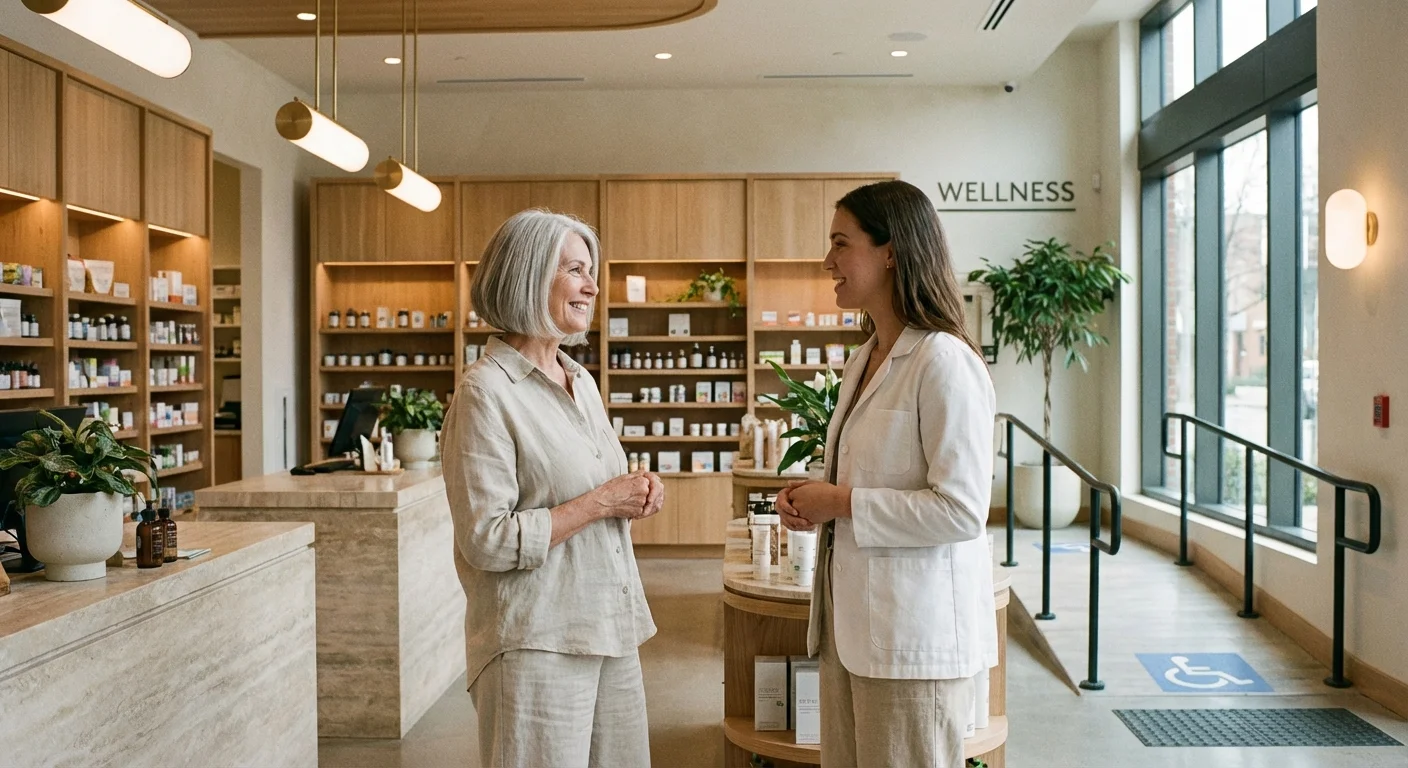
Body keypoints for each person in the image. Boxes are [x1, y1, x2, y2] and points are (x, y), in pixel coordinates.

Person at [775, 180, 998, 768]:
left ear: (891, 252)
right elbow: (860, 474)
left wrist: (842, 502)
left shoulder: (943, 361)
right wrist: (808, 501)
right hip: (851, 638)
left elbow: (960, 510)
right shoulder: (863, 358)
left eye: (841, 243)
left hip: (913, 647)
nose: (828, 261)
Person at [441, 209, 663, 768]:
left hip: (610, 624)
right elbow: (486, 539)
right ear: (528, 275)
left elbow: (591, 480)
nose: (591, 285)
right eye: (575, 270)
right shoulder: (485, 394)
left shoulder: (580, 380)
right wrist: (601, 502)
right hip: (537, 639)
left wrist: (635, 490)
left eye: (591, 271)